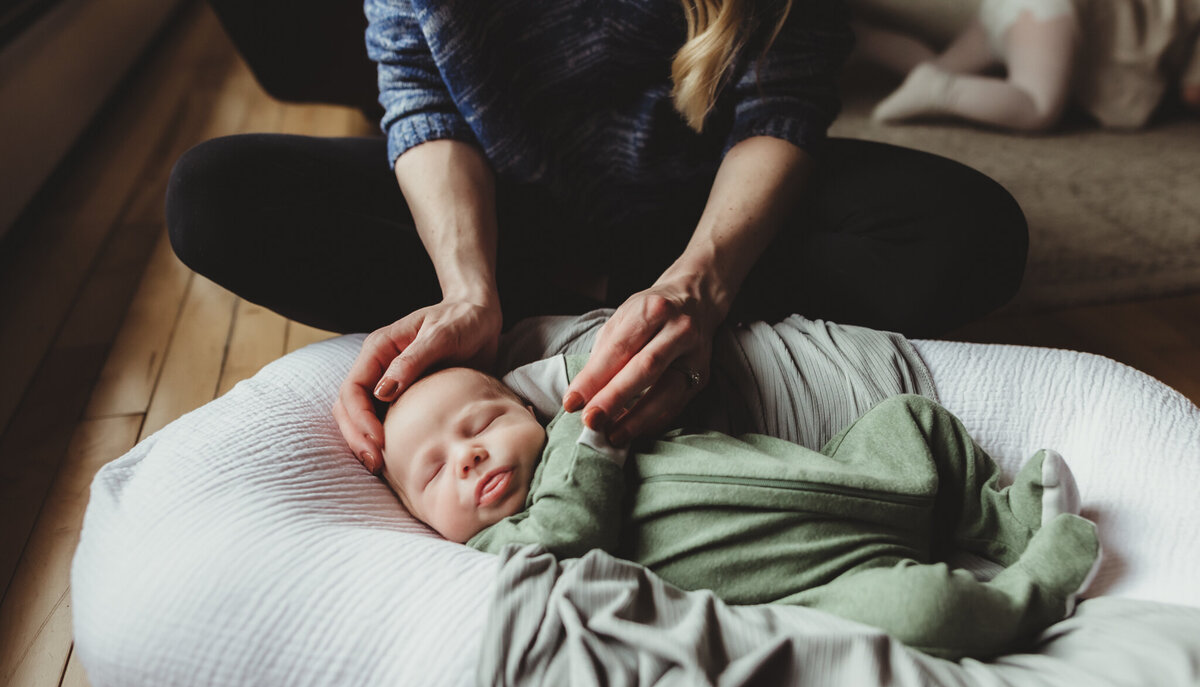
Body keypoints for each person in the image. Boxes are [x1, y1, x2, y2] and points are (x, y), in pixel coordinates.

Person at [167, 0, 1031, 477]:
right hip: (511, 218)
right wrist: (467, 288)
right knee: (214, 197)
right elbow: (416, 93)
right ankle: (560, 318)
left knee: (973, 234)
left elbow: (785, 99)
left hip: (703, 200)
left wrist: (700, 283)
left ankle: (622, 322)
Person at [377, 355, 1101, 661]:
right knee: (921, 615)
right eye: (435, 469)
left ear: (527, 408)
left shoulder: (594, 420)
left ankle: (1002, 522)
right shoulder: (502, 548)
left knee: (910, 419)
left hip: (847, 476)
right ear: (417, 518)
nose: (467, 455)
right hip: (817, 583)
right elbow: (572, 533)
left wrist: (595, 415)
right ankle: (1030, 593)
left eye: (479, 424)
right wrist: (590, 445)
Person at [857, 0, 1200, 131]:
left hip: (1012, 11)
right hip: (1051, 15)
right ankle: (939, 90)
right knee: (1037, 104)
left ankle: (860, 39)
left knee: (943, 62)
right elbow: (1192, 91)